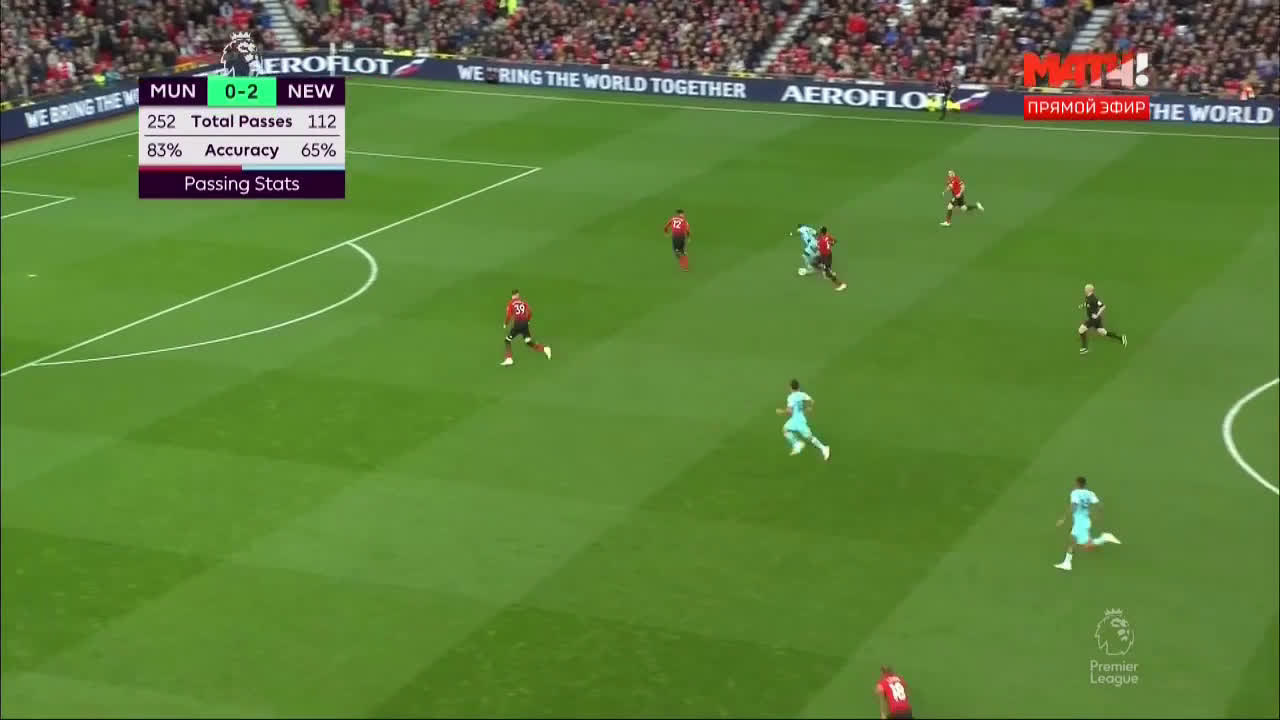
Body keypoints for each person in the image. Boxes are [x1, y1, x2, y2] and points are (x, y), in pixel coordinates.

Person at [1054, 476, 1121, 571]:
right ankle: (1067, 563)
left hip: (1080, 522)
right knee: (1075, 541)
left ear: (1077, 484)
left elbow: (1074, 505)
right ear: (1085, 484)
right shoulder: (1090, 493)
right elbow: (1100, 505)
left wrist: (1063, 518)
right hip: (1085, 519)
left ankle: (1104, 538)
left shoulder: (1075, 493)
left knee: (1082, 543)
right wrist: (1098, 516)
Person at [775, 379, 831, 460]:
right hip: (796, 419)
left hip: (798, 421)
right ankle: (797, 444)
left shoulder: (791, 397)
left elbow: (789, 411)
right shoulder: (803, 394)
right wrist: (809, 408)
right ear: (799, 386)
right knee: (785, 429)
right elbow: (812, 401)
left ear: (790, 387)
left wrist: (781, 411)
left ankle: (824, 448)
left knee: (809, 437)